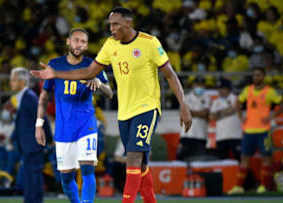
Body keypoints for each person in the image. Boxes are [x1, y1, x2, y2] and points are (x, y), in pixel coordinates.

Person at [31, 7, 192, 203]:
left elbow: (170, 74)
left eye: (115, 24)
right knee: (139, 165)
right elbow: (89, 72)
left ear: (128, 23)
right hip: (124, 113)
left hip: (147, 108)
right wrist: (56, 74)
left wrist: (183, 104)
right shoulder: (110, 45)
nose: (112, 28)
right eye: (110, 25)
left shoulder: (149, 43)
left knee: (132, 158)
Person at [35, 28, 113, 203]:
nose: (79, 44)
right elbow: (44, 96)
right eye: (76, 40)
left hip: (86, 124)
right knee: (66, 178)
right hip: (63, 128)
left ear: (86, 46)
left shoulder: (93, 65)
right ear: (68, 42)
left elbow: (110, 94)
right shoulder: (55, 64)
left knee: (87, 170)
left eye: (83, 41)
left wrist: (99, 84)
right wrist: (39, 124)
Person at [228, 67, 283, 194]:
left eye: (259, 75)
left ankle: (264, 186)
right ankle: (239, 187)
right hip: (249, 131)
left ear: (264, 76)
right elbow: (238, 101)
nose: (256, 77)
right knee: (244, 159)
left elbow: (281, 102)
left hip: (264, 131)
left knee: (266, 158)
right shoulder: (248, 90)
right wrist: (241, 117)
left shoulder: (269, 92)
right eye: (254, 75)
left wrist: (272, 116)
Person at [10, 67, 52, 203]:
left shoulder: (30, 97)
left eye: (13, 80)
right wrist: (14, 137)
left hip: (33, 145)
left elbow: (42, 117)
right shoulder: (25, 97)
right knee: (30, 177)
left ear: (22, 82)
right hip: (28, 145)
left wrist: (49, 139)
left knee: (32, 178)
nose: (11, 82)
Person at [177, 76, 210, 161]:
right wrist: (199, 113)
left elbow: (205, 114)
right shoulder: (186, 97)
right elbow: (184, 113)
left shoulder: (207, 97)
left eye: (201, 84)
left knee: (199, 161)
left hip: (201, 135)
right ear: (193, 85)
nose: (199, 86)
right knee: (181, 160)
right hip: (186, 134)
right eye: (197, 84)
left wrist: (191, 112)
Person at [210, 78, 242, 160]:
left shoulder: (235, 98)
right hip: (221, 137)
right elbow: (212, 117)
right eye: (218, 88)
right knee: (222, 162)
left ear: (228, 89)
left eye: (222, 88)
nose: (219, 91)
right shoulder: (216, 101)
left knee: (240, 160)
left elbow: (233, 110)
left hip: (235, 136)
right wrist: (226, 111)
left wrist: (218, 114)